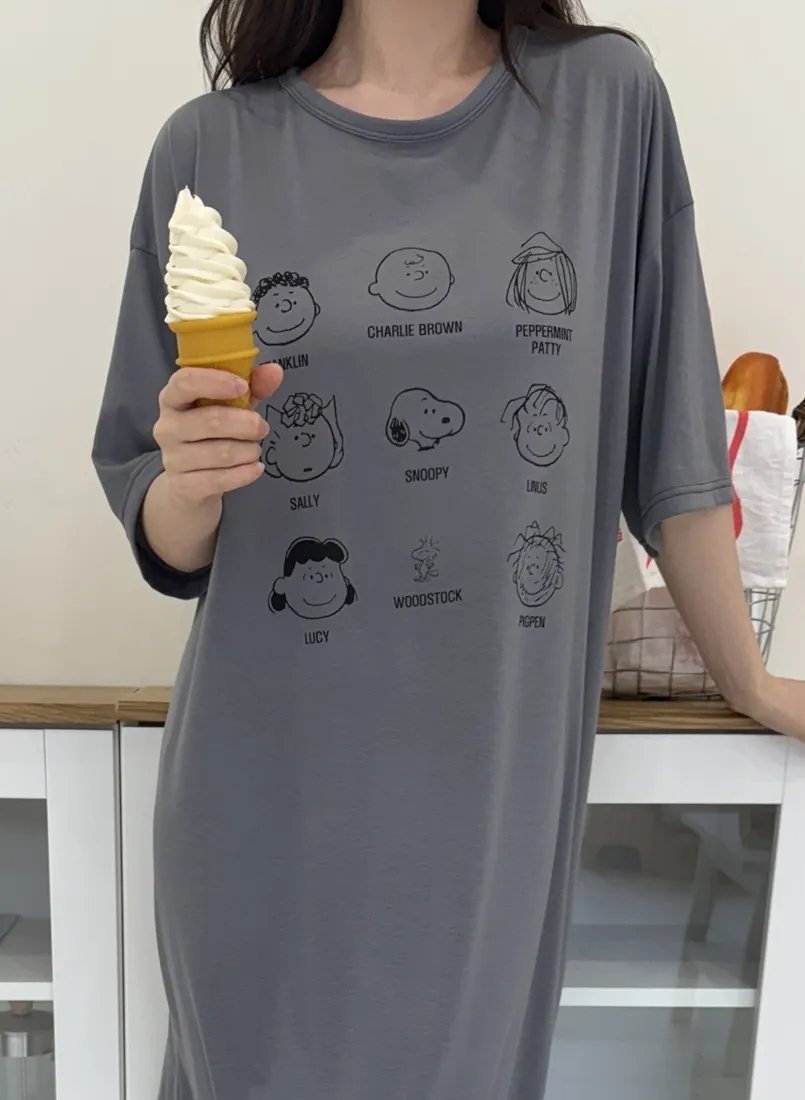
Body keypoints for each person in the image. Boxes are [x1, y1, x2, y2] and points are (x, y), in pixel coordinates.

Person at [92, 2, 805, 1099]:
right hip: (261, 791)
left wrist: (747, 682)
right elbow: (159, 512)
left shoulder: (604, 106)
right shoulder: (209, 147)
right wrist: (187, 479)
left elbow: (671, 449)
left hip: (488, 794)